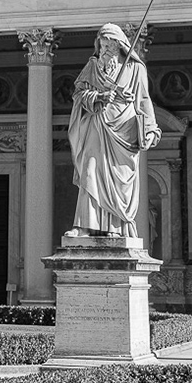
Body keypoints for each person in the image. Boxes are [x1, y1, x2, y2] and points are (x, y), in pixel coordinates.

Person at [66, 23, 160, 236]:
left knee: (120, 180)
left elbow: (144, 100)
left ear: (120, 45)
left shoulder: (135, 68)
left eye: (109, 45)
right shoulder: (92, 67)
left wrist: (151, 128)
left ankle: (116, 228)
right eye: (102, 45)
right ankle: (84, 226)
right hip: (97, 124)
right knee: (90, 171)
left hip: (124, 128)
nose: (105, 50)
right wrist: (100, 96)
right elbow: (78, 95)